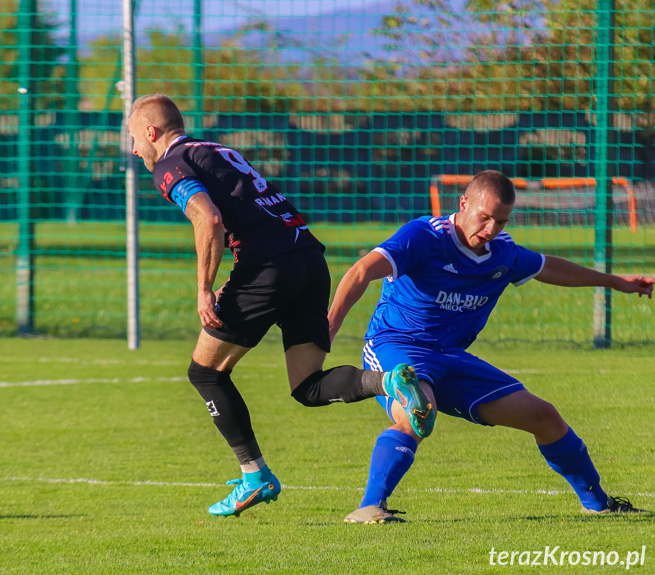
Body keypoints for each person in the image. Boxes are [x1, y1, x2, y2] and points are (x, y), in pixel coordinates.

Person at [127, 94, 435, 517]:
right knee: (308, 387)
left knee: (205, 372)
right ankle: (388, 383)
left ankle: (254, 476)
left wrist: (204, 288)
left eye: (133, 139)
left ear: (151, 132)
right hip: (309, 259)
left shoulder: (170, 163)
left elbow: (209, 218)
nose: (133, 150)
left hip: (268, 267)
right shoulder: (215, 149)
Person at [328, 169, 654, 524]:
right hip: (397, 345)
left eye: (500, 222)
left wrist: (614, 282)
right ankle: (370, 508)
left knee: (545, 417)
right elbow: (360, 272)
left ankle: (599, 504)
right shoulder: (423, 236)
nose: (490, 230)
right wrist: (327, 331)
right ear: (464, 203)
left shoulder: (503, 253)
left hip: (450, 357)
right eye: (484, 218)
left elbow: (550, 268)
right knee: (418, 412)